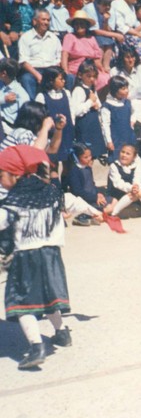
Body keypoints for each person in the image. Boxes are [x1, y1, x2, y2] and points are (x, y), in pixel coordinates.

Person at [0, 145, 73, 370]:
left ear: (15, 174)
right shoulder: (50, 191)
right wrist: (99, 213)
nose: (0, 180)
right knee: (49, 298)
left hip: (26, 259)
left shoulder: (12, 202)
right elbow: (73, 201)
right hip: (51, 256)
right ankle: (61, 333)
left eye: (1, 175)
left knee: (21, 303)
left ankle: (36, 347)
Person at [110, 47, 141, 135]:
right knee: (134, 105)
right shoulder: (115, 71)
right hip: (123, 100)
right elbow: (113, 90)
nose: (131, 60)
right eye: (127, 57)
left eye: (133, 57)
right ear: (122, 58)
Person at [18, 8, 63, 100]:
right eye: (43, 19)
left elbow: (58, 59)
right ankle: (34, 107)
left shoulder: (54, 38)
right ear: (35, 21)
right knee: (26, 79)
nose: (46, 22)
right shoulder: (26, 38)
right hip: (33, 70)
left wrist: (55, 73)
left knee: (69, 78)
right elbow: (23, 61)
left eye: (48, 20)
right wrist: (37, 75)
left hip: (51, 70)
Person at [61, 10, 110, 92]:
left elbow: (97, 58)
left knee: (105, 77)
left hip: (91, 67)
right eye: (77, 24)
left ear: (87, 25)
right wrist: (65, 71)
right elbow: (65, 54)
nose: (79, 26)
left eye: (82, 23)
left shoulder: (91, 38)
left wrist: (101, 68)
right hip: (76, 68)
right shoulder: (69, 37)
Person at [34, 67, 74, 165]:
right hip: (52, 135)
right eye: (61, 79)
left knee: (69, 163)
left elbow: (71, 113)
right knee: (53, 163)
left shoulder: (67, 93)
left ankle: (66, 180)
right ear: (51, 80)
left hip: (67, 132)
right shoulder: (42, 97)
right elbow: (39, 118)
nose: (64, 81)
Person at [107, 143, 141, 219]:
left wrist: (136, 186)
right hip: (117, 192)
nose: (124, 155)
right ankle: (114, 213)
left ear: (134, 157)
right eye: (122, 152)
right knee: (133, 194)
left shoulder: (135, 165)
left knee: (140, 192)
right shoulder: (114, 166)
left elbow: (137, 178)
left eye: (128, 154)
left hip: (132, 191)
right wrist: (131, 188)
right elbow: (118, 183)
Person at [71, 60, 106, 159]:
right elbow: (76, 111)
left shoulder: (92, 88)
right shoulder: (79, 90)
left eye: (94, 76)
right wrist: (90, 102)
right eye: (88, 76)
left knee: (93, 155)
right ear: (80, 75)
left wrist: (96, 104)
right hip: (84, 127)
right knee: (85, 155)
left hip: (93, 126)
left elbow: (97, 103)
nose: (92, 79)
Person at [100, 75, 137, 164]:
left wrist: (132, 121)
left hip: (128, 137)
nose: (127, 90)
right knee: (117, 162)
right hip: (116, 139)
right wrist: (108, 141)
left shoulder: (127, 102)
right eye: (123, 89)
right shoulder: (108, 105)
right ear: (115, 91)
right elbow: (105, 125)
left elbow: (134, 112)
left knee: (130, 161)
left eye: (127, 88)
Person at [0, 58, 30, 133]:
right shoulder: (1, 83)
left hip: (9, 128)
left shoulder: (21, 94)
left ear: (3, 73)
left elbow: (25, 117)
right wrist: (4, 99)